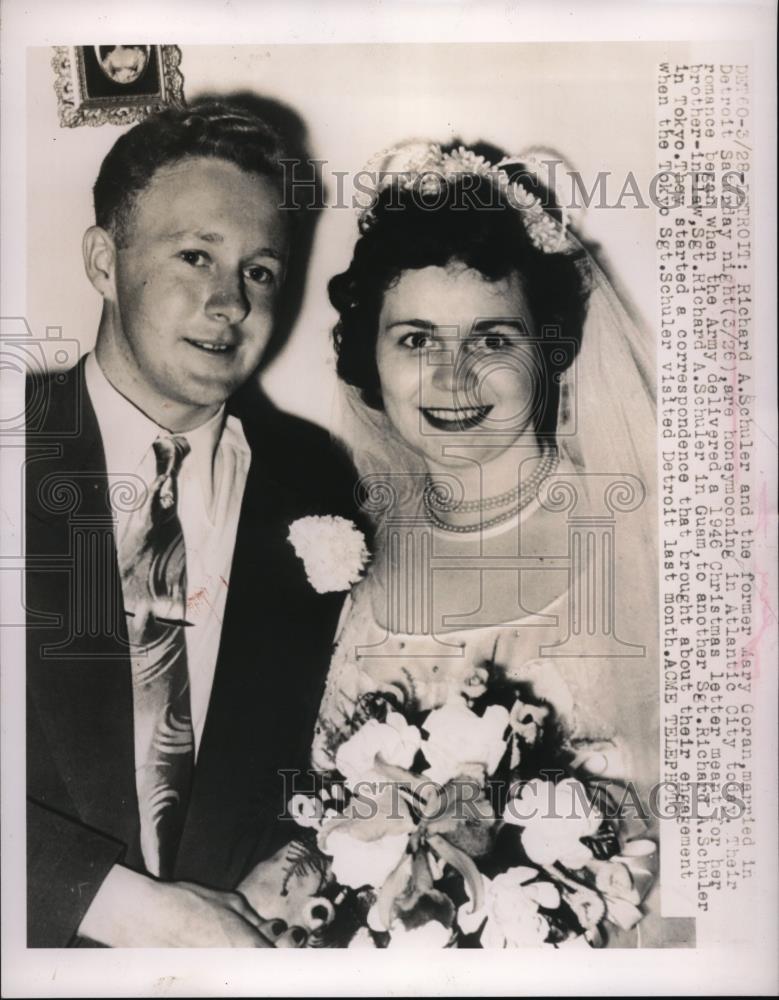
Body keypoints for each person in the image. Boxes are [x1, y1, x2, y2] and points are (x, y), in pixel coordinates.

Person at [241, 140, 664, 946]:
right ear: (369, 354)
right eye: (415, 339)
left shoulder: (636, 536)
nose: (453, 378)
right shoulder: (346, 547)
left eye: (491, 339)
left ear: (548, 350)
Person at [25, 102, 359, 947]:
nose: (228, 302)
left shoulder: (314, 479)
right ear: (105, 260)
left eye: (259, 272)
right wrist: (125, 909)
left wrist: (297, 854)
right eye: (194, 256)